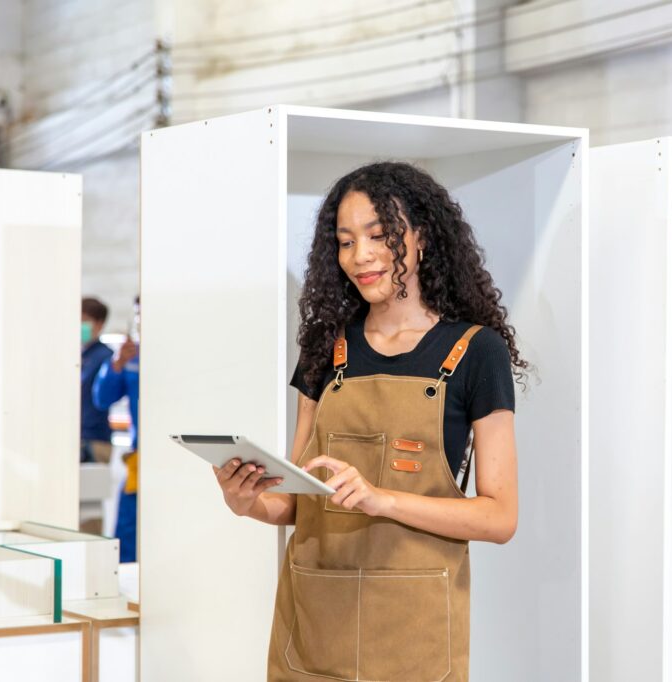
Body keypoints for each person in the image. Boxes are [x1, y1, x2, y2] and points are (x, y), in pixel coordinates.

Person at [213, 162, 522, 680]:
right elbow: (297, 502)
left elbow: (500, 518)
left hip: (414, 629)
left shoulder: (475, 351)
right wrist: (248, 502)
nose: (361, 256)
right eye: (346, 241)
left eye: (379, 235)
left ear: (420, 237)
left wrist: (384, 499)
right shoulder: (325, 349)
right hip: (314, 620)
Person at [94, 296, 140, 563]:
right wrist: (116, 364)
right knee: (127, 530)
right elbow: (101, 398)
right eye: (137, 315)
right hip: (138, 461)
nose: (140, 321)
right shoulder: (131, 357)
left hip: (174, 462)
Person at [81, 297, 114, 463]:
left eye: (85, 320)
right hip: (76, 436)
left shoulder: (105, 356)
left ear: (99, 324)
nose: (80, 325)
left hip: (95, 439)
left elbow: (103, 397)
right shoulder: (77, 355)